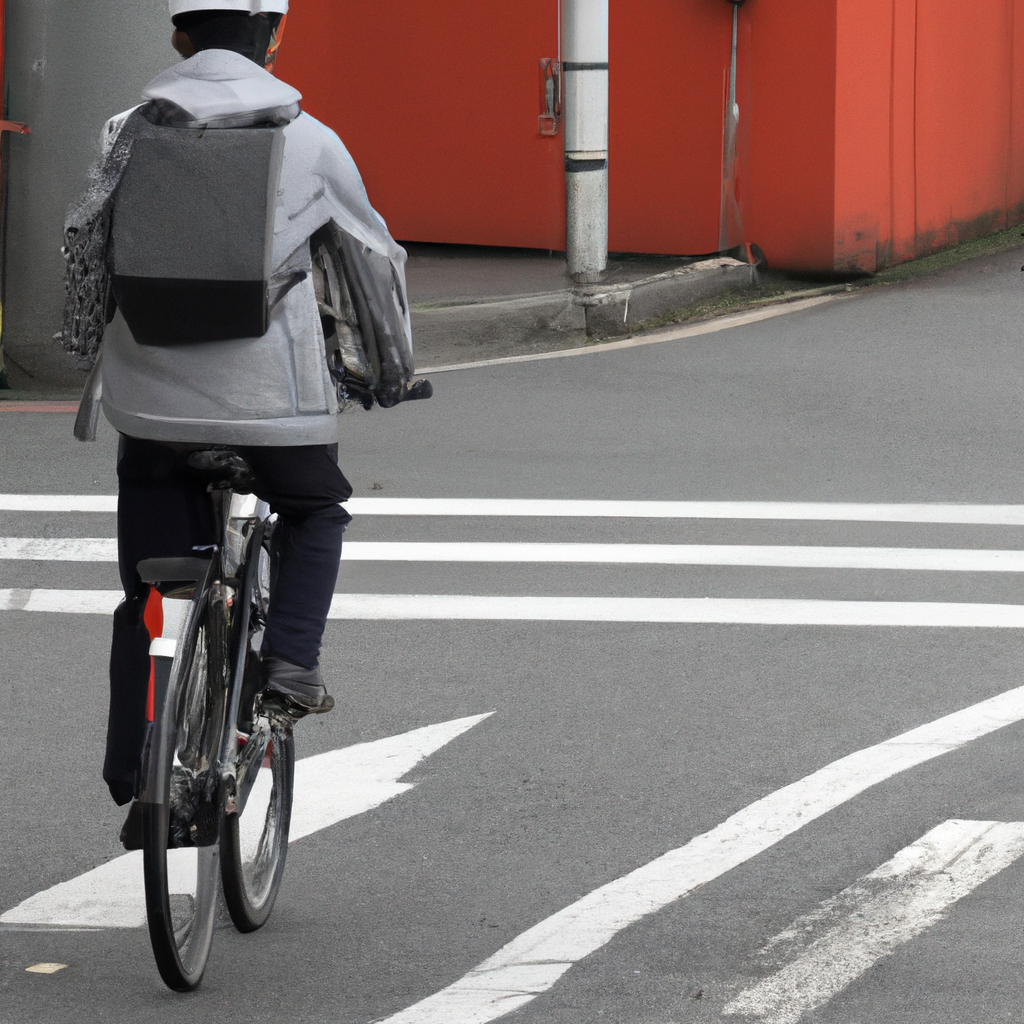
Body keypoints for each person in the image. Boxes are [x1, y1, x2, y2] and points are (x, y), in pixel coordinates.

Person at [61, 0, 418, 840]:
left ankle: (141, 767)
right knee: (315, 507)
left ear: (178, 37)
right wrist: (388, 372)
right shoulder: (313, 141)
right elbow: (370, 267)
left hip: (150, 409)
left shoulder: (125, 132)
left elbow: (92, 251)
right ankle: (289, 663)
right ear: (277, 37)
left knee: (150, 588)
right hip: (275, 413)